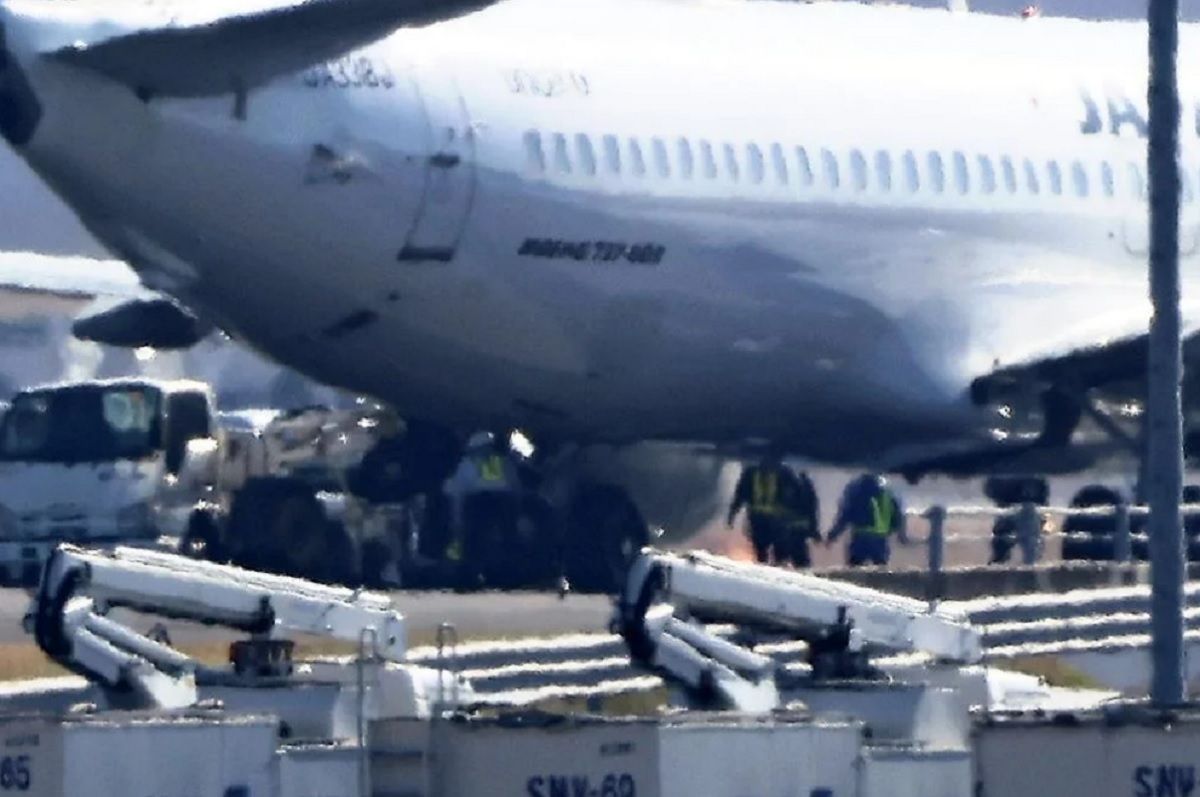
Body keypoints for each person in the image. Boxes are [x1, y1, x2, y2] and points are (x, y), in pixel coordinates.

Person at [442, 431, 522, 585]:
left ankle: (493, 576)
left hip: (490, 506)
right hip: (481, 507)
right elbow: (457, 492)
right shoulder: (472, 464)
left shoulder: (493, 463)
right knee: (478, 545)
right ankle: (478, 577)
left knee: (486, 544)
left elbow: (456, 492)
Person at [727, 453, 815, 566]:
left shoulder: (785, 474)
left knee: (779, 549)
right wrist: (732, 514)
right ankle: (765, 567)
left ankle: (777, 566)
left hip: (777, 520)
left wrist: (802, 522)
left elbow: (799, 499)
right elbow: (740, 495)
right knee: (761, 548)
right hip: (759, 519)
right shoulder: (751, 473)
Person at [824, 473, 908, 567]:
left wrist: (833, 535)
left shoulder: (855, 487)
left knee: (855, 572)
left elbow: (845, 514)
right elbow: (897, 514)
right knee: (881, 572)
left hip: (860, 536)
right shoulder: (889, 489)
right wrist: (899, 533)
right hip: (880, 538)